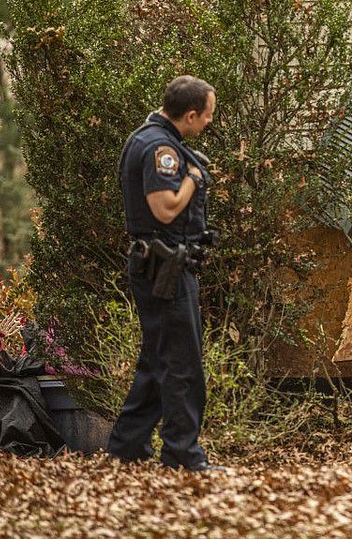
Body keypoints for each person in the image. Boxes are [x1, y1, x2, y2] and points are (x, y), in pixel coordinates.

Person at [107, 75, 223, 472]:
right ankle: (182, 455)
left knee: (157, 358)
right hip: (165, 267)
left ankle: (126, 445)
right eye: (206, 116)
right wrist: (192, 179)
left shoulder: (153, 138)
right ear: (189, 115)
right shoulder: (160, 148)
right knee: (182, 365)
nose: (208, 123)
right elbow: (165, 208)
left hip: (160, 265)